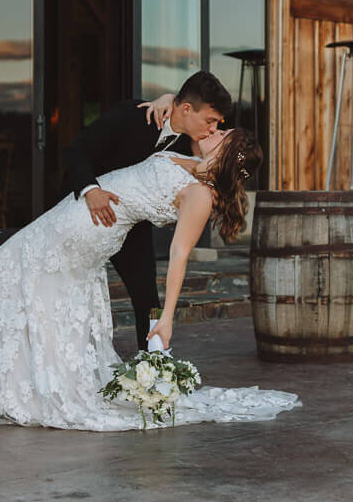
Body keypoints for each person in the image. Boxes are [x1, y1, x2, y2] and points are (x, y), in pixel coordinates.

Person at [0, 127, 300, 432]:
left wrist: (167, 317)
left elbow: (179, 255)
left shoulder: (200, 195)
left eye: (222, 133)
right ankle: (24, 384)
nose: (214, 129)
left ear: (226, 153)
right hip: (78, 211)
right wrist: (164, 102)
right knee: (30, 285)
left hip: (89, 228)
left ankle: (28, 388)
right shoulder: (194, 167)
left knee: (4, 268)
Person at [61, 71, 232, 350]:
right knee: (66, 290)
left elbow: (233, 149)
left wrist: (168, 97)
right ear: (187, 109)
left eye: (216, 123)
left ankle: (152, 367)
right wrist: (90, 191)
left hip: (131, 225)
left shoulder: (188, 139)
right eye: (210, 120)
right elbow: (75, 151)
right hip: (84, 213)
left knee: (148, 299)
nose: (213, 128)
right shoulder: (133, 115)